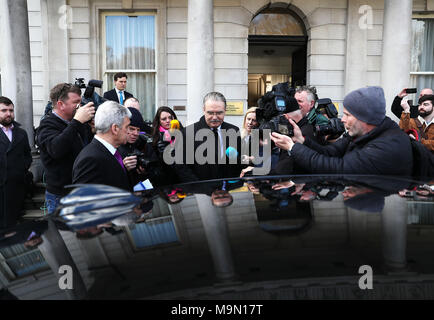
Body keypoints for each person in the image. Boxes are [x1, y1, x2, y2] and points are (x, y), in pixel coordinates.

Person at [270, 86, 413, 176]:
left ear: (364, 118)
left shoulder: (385, 145)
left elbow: (337, 168)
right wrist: (302, 140)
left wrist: (292, 147)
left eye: (348, 115)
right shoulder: (357, 134)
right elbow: (329, 152)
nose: (342, 120)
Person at [36, 83, 95, 214]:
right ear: (61, 104)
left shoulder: (78, 123)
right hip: (60, 195)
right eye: (76, 102)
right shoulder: (47, 124)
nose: (81, 107)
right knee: (63, 233)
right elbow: (56, 150)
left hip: (81, 191)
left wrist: (92, 129)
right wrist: (77, 122)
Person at [174, 92, 242, 182]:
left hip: (226, 191)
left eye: (219, 113)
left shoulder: (234, 130)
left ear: (225, 110)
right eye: (210, 113)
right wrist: (201, 187)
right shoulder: (187, 133)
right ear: (204, 110)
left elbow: (237, 161)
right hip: (199, 191)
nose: (214, 117)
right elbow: (180, 166)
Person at [72, 101, 132, 191]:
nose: (129, 132)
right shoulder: (90, 160)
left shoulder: (113, 152)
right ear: (115, 128)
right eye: (127, 127)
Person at [0, 97, 32, 228]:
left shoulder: (21, 133)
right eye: (4, 110)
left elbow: (27, 155)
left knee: (13, 227)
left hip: (16, 188)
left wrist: (21, 169)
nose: (8, 113)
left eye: (11, 110)